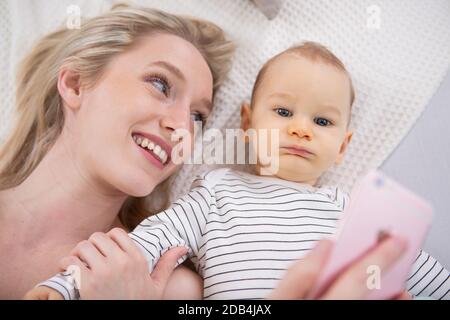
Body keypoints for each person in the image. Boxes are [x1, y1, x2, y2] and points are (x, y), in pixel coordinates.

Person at [28, 41, 450, 300]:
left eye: (322, 122)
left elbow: (419, 270)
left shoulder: (351, 210)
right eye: (283, 111)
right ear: (247, 125)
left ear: (342, 147)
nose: (301, 129)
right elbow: (145, 245)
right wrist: (67, 287)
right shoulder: (215, 194)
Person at [0, 4, 235, 299]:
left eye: (197, 116)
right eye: (160, 84)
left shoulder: (166, 285)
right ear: (75, 84)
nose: (181, 128)